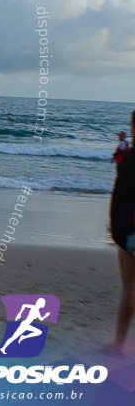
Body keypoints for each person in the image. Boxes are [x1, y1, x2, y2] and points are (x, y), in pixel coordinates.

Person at [111, 111, 135, 353]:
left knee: (130, 287)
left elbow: (119, 197)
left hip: (130, 228)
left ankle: (119, 344)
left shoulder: (129, 159)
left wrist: (115, 227)